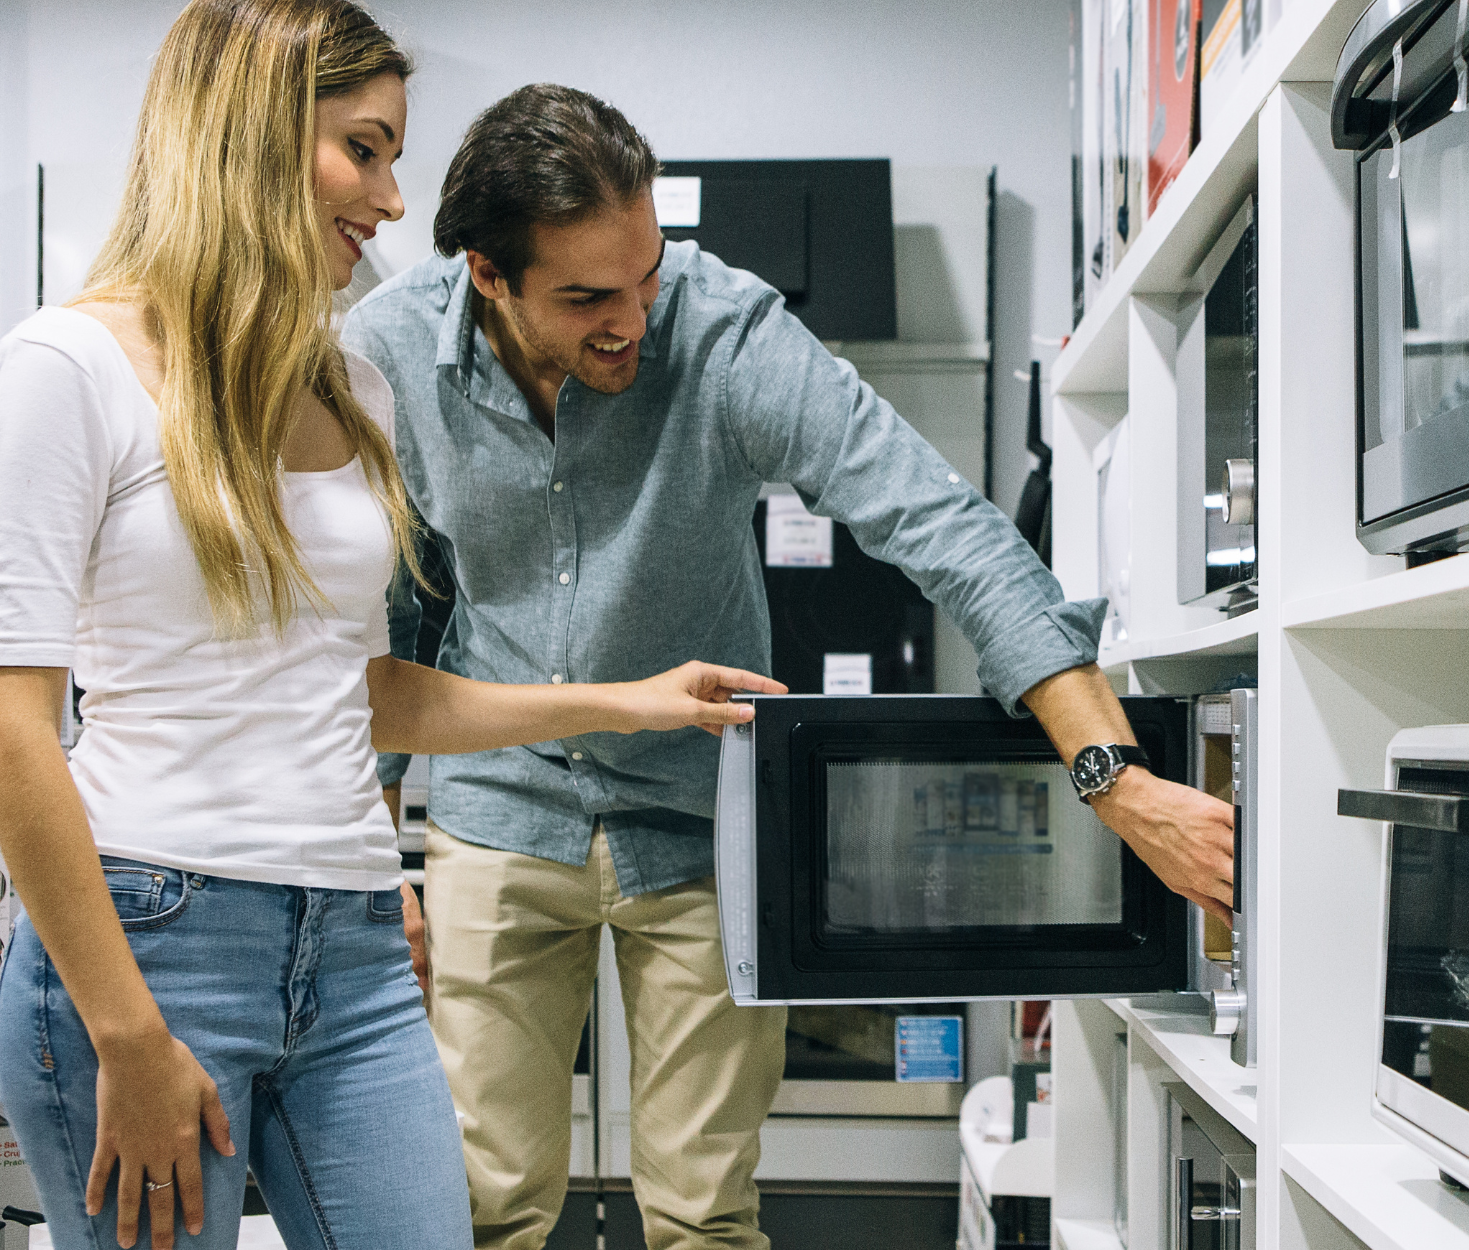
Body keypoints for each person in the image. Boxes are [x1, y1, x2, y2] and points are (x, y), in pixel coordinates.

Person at [343, 84, 1238, 1250]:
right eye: (587, 298)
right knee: (484, 1204)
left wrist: (1114, 777)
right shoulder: (389, 354)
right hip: (500, 814)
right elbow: (396, 617)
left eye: (646, 274)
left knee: (704, 1213)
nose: (632, 319)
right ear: (488, 276)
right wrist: (374, 852)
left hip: (702, 823)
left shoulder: (722, 332)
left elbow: (945, 527)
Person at [0, 7, 782, 1250]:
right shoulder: (66, 367)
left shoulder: (349, 384)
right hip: (153, 937)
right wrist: (125, 1029)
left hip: (355, 947)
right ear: (248, 135)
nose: (391, 195)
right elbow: (12, 738)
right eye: (362, 150)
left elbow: (365, 692)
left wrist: (631, 697)